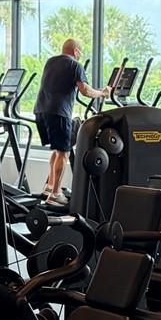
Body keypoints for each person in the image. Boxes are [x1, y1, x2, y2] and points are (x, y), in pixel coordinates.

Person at [33, 39, 110, 206]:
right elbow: (85, 90)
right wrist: (102, 93)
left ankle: (50, 187)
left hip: (40, 111)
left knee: (58, 151)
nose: (80, 55)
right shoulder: (75, 65)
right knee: (64, 153)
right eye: (80, 52)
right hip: (59, 113)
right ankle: (55, 194)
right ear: (76, 51)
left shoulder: (51, 62)